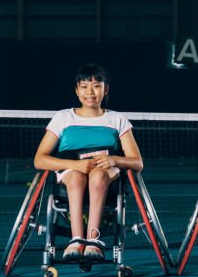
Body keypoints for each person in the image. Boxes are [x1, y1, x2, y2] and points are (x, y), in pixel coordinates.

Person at [33, 64, 143, 260]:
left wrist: (114, 159)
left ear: (106, 89)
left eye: (96, 86)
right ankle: (76, 240)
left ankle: (93, 240)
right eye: (84, 86)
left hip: (107, 173)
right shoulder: (63, 117)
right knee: (75, 178)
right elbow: (39, 159)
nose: (90, 92)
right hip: (71, 172)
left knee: (98, 175)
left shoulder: (117, 119)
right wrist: (75, 165)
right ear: (77, 90)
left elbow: (137, 163)